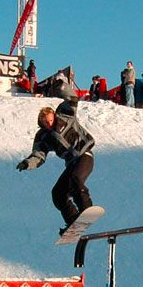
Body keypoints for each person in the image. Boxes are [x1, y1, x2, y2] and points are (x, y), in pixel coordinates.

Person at [16, 83, 96, 233]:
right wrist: (27, 163)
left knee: (75, 179)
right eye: (45, 122)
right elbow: (38, 155)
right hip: (72, 163)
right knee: (58, 193)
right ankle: (73, 222)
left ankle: (86, 208)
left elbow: (72, 99)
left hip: (84, 156)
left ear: (54, 115)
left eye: (50, 119)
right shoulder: (43, 137)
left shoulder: (65, 115)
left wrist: (62, 86)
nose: (49, 123)